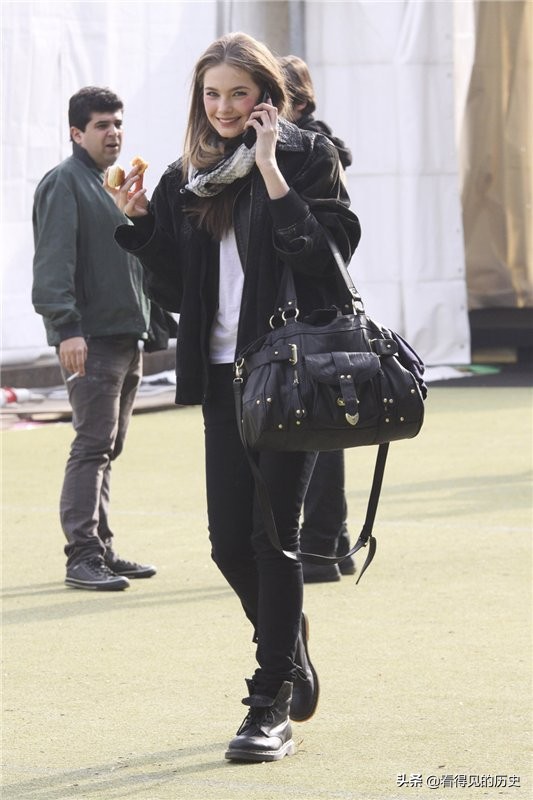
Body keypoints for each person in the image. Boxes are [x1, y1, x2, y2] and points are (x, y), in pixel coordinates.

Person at [106, 33, 361, 762]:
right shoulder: (187, 175)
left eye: (238, 93)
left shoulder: (308, 157)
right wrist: (140, 224)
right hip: (222, 376)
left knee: (272, 538)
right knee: (227, 545)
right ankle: (287, 642)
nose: (223, 108)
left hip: (289, 370)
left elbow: (327, 257)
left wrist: (273, 171)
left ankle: (269, 698)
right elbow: (176, 291)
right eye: (212, 94)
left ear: (267, 97)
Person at [32, 86, 158, 592]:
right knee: (92, 446)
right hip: (92, 338)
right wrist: (66, 329)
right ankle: (82, 555)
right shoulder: (64, 182)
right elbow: (53, 261)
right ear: (76, 132)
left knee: (109, 446)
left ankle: (100, 548)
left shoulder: (114, 184)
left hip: (126, 336)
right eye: (102, 125)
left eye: (118, 123)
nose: (114, 133)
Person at [279, 54, 356, 583]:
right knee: (323, 425)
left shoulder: (310, 151)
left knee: (320, 429)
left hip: (317, 308)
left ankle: (320, 545)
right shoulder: (311, 146)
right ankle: (336, 542)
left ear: (299, 102)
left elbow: (323, 241)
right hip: (320, 306)